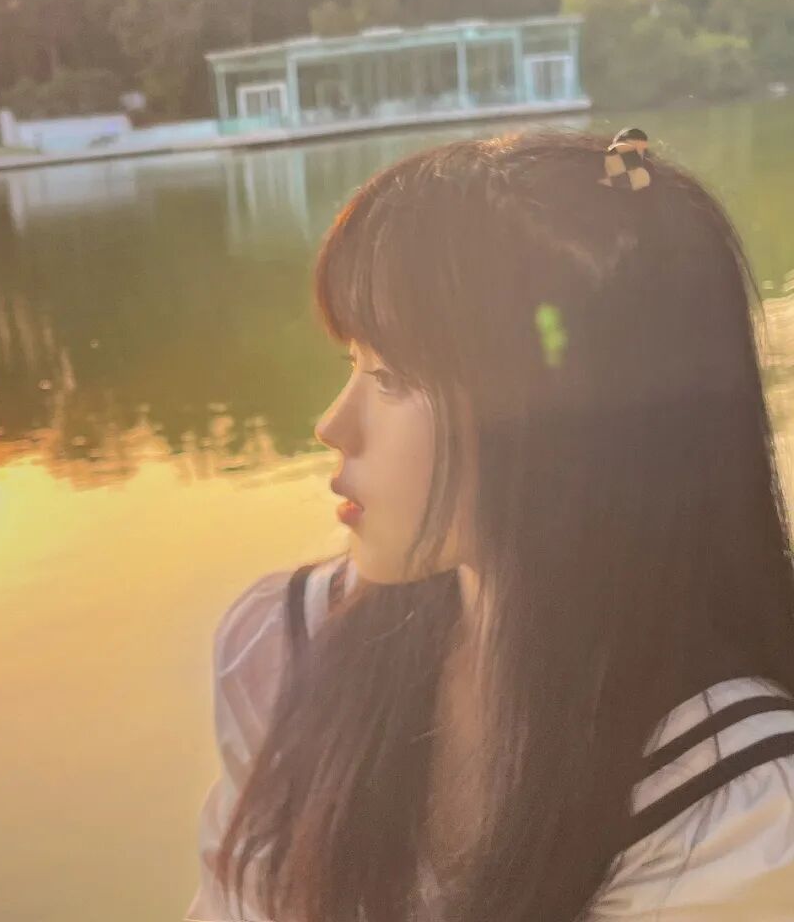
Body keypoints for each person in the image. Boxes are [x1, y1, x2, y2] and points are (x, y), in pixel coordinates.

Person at [185, 128, 794, 922]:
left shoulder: (728, 803)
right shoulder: (284, 649)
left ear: (565, 421)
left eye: (390, 378)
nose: (332, 425)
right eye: (352, 363)